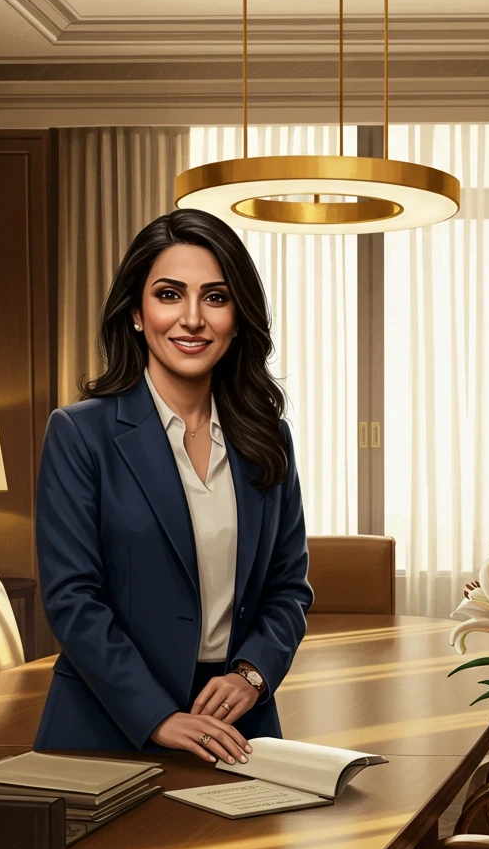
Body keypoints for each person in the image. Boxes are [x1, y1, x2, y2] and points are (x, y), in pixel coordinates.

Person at [34, 208, 314, 763]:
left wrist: (252, 675)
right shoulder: (79, 433)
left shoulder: (268, 438)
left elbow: (288, 588)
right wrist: (157, 715)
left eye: (215, 297)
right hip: (107, 725)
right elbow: (73, 598)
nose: (192, 319)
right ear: (137, 314)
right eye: (169, 295)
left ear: (238, 317)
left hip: (237, 724)